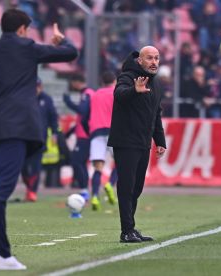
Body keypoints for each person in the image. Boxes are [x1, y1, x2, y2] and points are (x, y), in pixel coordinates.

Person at [0, 9, 77, 270]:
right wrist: (62, 40)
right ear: (23, 28)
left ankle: (3, 254)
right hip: (19, 126)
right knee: (4, 187)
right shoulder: (28, 47)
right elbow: (71, 54)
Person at [108, 46, 166, 243]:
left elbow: (156, 114)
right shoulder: (127, 77)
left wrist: (160, 141)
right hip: (125, 141)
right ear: (139, 60)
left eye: (157, 58)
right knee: (127, 186)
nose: (154, 62)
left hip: (143, 143)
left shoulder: (156, 84)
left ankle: (130, 227)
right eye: (149, 58)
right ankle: (126, 231)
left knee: (137, 188)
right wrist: (135, 90)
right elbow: (119, 95)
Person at [21, 77, 61, 202]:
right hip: (24, 138)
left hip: (40, 139)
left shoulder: (46, 99)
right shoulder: (25, 99)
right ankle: (29, 188)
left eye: (37, 86)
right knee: (23, 167)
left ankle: (33, 191)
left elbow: (53, 118)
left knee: (36, 166)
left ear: (41, 87)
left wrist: (54, 133)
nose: (36, 89)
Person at [84, 71, 118, 210]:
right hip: (114, 131)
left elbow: (85, 115)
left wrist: (89, 131)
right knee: (120, 163)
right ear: (114, 81)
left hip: (96, 132)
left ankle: (95, 197)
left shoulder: (94, 95)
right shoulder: (117, 93)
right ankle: (110, 183)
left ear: (101, 82)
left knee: (97, 167)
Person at [63, 74, 94, 192]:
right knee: (80, 162)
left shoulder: (87, 94)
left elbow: (82, 111)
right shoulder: (86, 93)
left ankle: (84, 188)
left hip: (85, 135)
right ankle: (84, 189)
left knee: (77, 161)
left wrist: (68, 102)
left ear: (76, 82)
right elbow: (83, 117)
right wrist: (70, 132)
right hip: (84, 134)